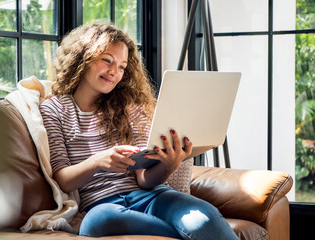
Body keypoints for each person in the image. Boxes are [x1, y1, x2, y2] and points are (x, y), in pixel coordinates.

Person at [40, 23, 238, 240]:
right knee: (98, 222)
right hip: (103, 205)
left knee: (204, 217)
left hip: (153, 196)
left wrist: (168, 164)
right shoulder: (55, 109)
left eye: (122, 66)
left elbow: (144, 180)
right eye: (107, 60)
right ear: (81, 58)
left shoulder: (129, 108)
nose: (114, 72)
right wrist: (97, 161)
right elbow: (63, 179)